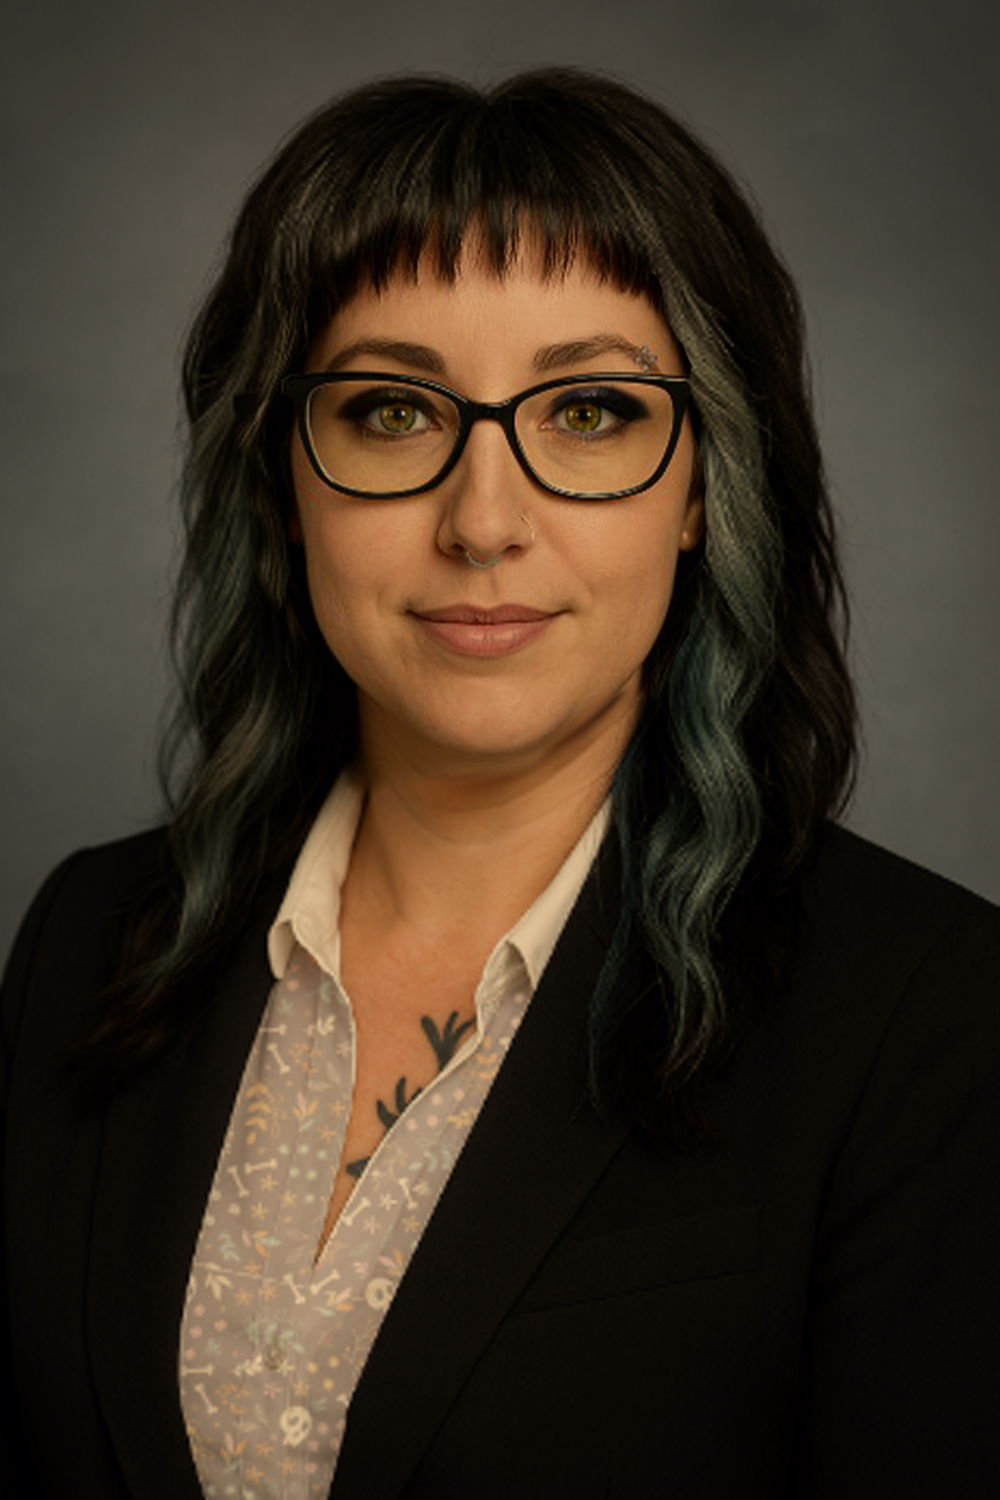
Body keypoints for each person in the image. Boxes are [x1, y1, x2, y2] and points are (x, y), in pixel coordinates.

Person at [2, 68, 998, 1500]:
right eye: (392, 412)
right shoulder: (83, 942)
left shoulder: (931, 1013)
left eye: (589, 410)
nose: (484, 521)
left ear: (704, 484)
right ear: (285, 477)